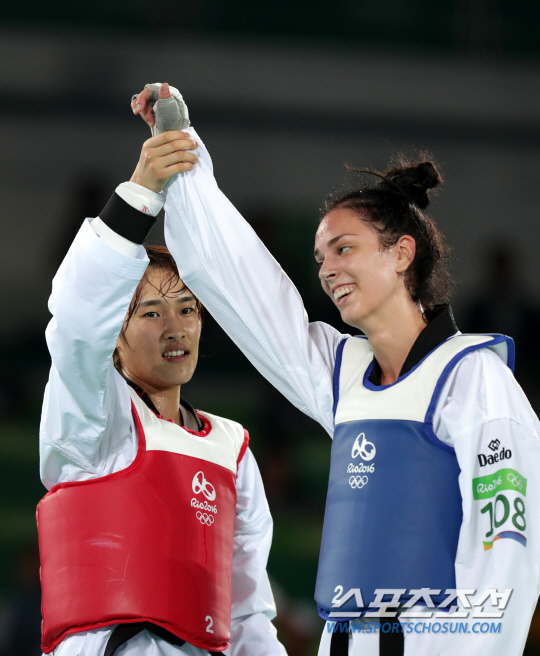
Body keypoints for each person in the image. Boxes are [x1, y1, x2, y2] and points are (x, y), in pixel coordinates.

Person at [130, 83, 540, 656]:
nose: (327, 270)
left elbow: (506, 555)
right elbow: (246, 289)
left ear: (401, 253)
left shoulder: (475, 380)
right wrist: (182, 155)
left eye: (344, 249)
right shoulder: (341, 370)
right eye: (321, 257)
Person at [37, 119, 286, 656]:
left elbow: (248, 611)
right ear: (116, 334)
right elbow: (78, 322)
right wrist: (143, 190)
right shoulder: (94, 419)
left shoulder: (232, 449)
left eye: (187, 310)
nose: (176, 329)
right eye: (151, 312)